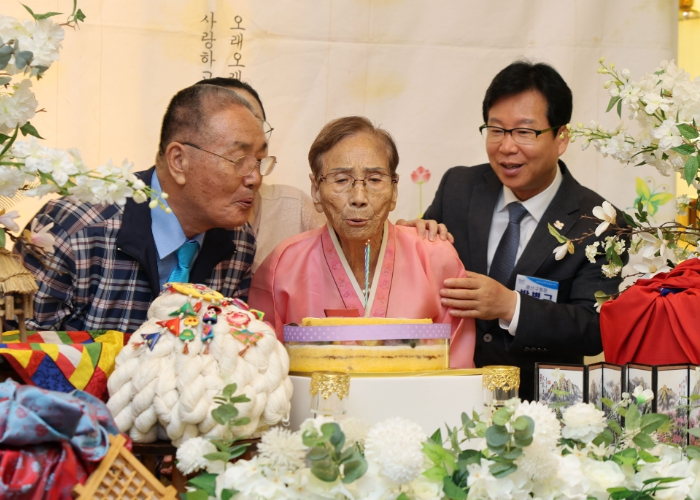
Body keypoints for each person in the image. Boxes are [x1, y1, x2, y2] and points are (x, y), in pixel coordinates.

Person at [423, 61, 626, 400]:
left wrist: (510, 306)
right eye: (497, 130)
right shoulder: (458, 187)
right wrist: (413, 238)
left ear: (561, 138)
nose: (506, 147)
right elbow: (424, 273)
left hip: (539, 408)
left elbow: (594, 330)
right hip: (446, 392)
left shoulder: (600, 222)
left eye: (524, 132)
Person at [16, 84, 274, 333]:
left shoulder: (239, 241)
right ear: (179, 161)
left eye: (260, 161)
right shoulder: (73, 229)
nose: (255, 178)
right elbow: (16, 349)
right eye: (239, 160)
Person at [248, 116, 476, 368]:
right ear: (316, 190)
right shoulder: (282, 266)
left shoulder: (436, 258)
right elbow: (264, 368)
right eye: (341, 180)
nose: (359, 197)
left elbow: (457, 368)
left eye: (375, 180)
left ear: (394, 190)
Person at [196, 77, 327, 272]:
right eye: (235, 121)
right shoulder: (182, 218)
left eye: (255, 122)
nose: (254, 178)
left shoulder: (294, 208)